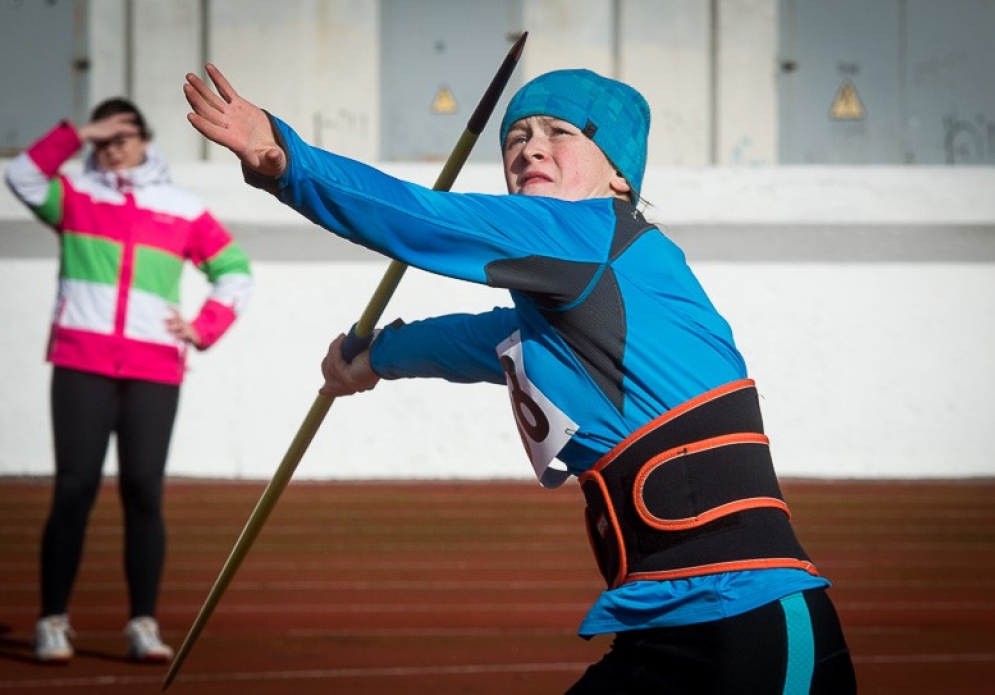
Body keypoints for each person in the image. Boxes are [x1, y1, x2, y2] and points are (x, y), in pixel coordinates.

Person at [183, 63, 856, 693]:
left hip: (753, 625)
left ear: (619, 175)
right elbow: (476, 341)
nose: (530, 148)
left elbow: (421, 217)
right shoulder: (565, 306)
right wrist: (375, 357)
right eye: (516, 136)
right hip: (665, 627)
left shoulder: (589, 233)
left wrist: (287, 161)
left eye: (560, 133)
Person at [5, 98, 254, 664]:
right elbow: (20, 175)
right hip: (81, 364)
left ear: (146, 139)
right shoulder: (74, 197)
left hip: (152, 368)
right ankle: (52, 620)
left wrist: (203, 325)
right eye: (105, 139)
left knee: (144, 493)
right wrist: (80, 132)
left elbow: (235, 272)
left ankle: (142, 623)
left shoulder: (182, 208)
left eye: (125, 136)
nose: (114, 148)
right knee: (74, 490)